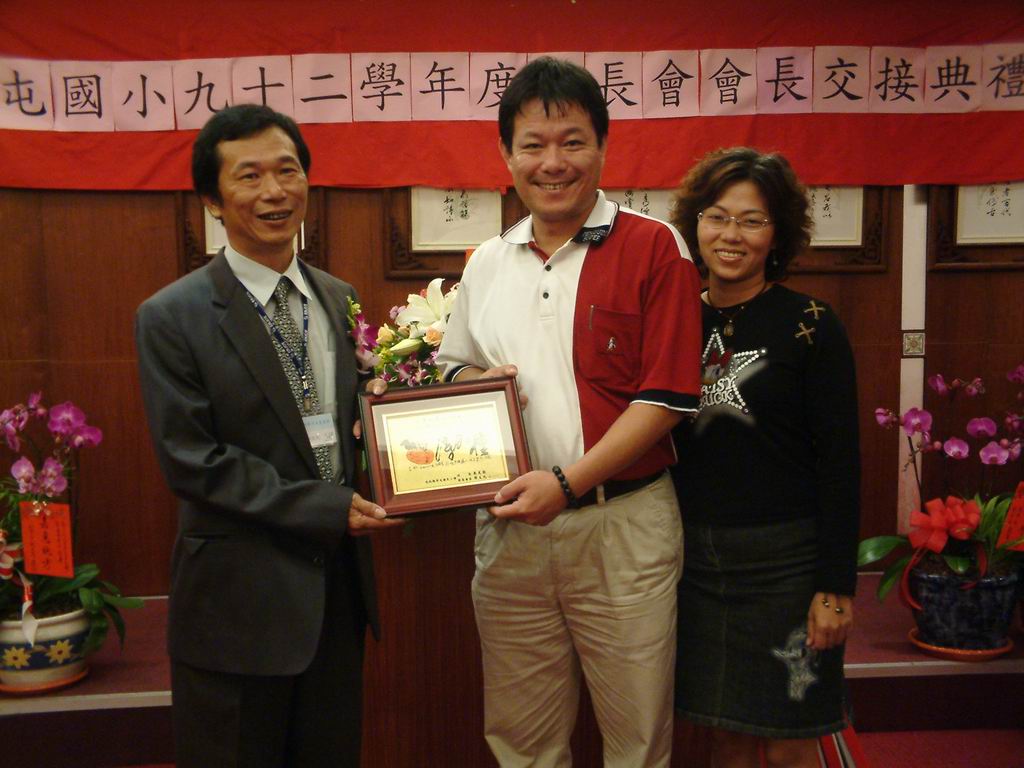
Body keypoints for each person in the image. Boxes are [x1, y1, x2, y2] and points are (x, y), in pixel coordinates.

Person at [435, 57, 703, 768]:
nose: (552, 163)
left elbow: (666, 398)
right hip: (509, 534)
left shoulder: (655, 247)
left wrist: (568, 482)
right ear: (507, 154)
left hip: (623, 527)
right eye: (533, 144)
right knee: (522, 739)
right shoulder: (488, 261)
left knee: (637, 741)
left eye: (572, 142)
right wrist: (477, 380)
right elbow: (450, 369)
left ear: (603, 146)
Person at [135, 104, 401, 768]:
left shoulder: (339, 297)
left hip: (335, 599)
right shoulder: (172, 316)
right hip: (236, 611)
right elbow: (193, 461)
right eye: (249, 176)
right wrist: (326, 508)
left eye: (287, 170)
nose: (274, 191)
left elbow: (348, 427)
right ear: (212, 199)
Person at [669, 147, 860, 768]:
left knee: (788, 744)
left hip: (787, 568)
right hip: (694, 564)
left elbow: (841, 464)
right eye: (718, 217)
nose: (731, 235)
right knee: (724, 735)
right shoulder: (670, 318)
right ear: (696, 223)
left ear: (777, 234)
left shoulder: (812, 324)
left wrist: (834, 588)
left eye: (752, 221)